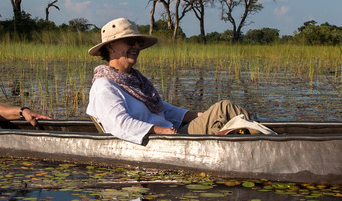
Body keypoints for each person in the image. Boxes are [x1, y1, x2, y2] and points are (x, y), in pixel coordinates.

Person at [86, 17, 273, 144]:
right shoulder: (104, 86)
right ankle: (267, 142)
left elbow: (163, 108)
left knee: (223, 111)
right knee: (224, 108)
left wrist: (198, 115)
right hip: (168, 140)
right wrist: (163, 131)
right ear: (110, 48)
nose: (136, 46)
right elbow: (120, 125)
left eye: (138, 42)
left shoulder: (135, 81)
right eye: (130, 42)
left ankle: (266, 140)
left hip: (173, 132)